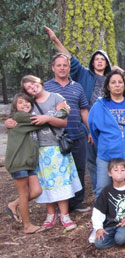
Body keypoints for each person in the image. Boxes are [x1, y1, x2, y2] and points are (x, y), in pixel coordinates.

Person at [9, 75, 82, 231]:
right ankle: (50, 214)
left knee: (61, 181)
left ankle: (64, 214)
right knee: (45, 183)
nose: (32, 88)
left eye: (33, 83)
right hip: (38, 149)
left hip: (56, 147)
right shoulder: (29, 104)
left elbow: (63, 120)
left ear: (39, 81)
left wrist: (46, 118)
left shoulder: (56, 97)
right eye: (28, 87)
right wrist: (9, 122)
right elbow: (17, 118)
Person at [46, 26, 113, 196]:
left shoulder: (112, 80)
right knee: (91, 161)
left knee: (110, 160)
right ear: (92, 62)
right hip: (88, 125)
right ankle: (99, 194)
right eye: (96, 59)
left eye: (102, 59)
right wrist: (55, 40)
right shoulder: (84, 75)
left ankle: (111, 192)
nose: (99, 62)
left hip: (108, 126)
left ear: (107, 63)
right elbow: (69, 58)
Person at [44, 54, 91, 213]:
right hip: (54, 138)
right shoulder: (46, 87)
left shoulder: (77, 86)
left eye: (65, 65)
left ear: (69, 68)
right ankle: (58, 204)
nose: (62, 68)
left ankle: (76, 203)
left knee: (78, 168)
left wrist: (90, 130)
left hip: (77, 134)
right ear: (53, 68)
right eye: (59, 65)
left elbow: (84, 109)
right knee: (57, 171)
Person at [89, 71, 125, 197]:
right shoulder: (99, 105)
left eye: (120, 82)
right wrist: (110, 143)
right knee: (102, 188)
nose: (117, 85)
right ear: (108, 86)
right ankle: (102, 215)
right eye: (113, 82)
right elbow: (94, 131)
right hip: (107, 155)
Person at [5, 93, 45, 234]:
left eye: (27, 102)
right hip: (19, 161)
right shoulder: (20, 117)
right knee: (23, 193)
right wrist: (63, 110)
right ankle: (27, 226)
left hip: (28, 163)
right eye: (20, 103)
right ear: (15, 106)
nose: (25, 105)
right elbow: (43, 120)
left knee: (36, 191)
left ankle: (13, 204)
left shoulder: (24, 118)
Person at [92, 159, 125, 249]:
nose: (119, 173)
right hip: (110, 225)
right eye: (116, 170)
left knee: (121, 238)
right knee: (99, 244)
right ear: (110, 173)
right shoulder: (106, 191)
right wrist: (98, 228)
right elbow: (98, 211)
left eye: (122, 170)